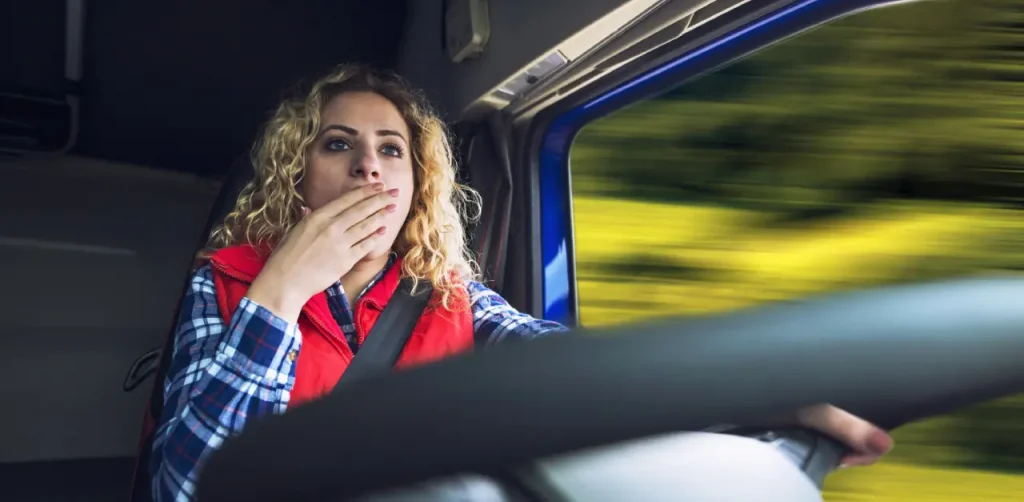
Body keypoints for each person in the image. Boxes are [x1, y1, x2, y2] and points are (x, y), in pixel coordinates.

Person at [149, 64, 893, 501]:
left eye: (392, 150)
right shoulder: (227, 287)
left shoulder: (448, 294)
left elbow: (575, 372)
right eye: (338, 145)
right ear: (297, 173)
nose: (369, 168)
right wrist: (281, 292)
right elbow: (184, 486)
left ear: (415, 182)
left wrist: (760, 394)